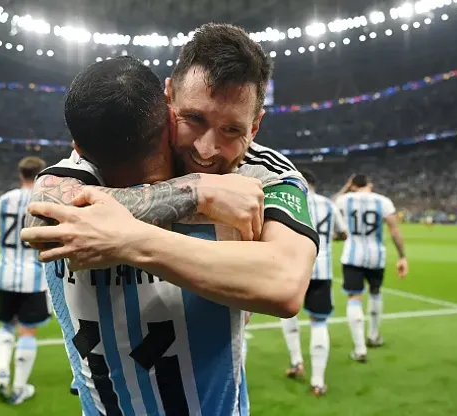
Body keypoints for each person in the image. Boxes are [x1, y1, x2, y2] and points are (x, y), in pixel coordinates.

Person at [22, 24, 319, 415]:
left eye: (232, 129)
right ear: (167, 100)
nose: (206, 149)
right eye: (193, 118)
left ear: (256, 125)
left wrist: (130, 241)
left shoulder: (263, 174)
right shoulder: (103, 159)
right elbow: (44, 219)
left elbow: (284, 283)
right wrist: (198, 191)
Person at [0, 156, 50, 405]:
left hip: (5, 275)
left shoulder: (4, 199)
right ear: (42, 174)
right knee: (27, 330)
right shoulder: (45, 201)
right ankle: (19, 388)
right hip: (34, 277)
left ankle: (1, 374)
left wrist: (0, 242)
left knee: (6, 326)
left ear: (21, 174)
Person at [279, 169, 347, 397]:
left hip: (293, 270)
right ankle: (318, 381)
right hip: (322, 270)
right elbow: (343, 233)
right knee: (319, 323)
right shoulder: (329, 205)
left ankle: (297, 362)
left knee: (287, 315)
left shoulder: (288, 199)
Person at [334, 174, 408, 362]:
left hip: (352, 255)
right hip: (376, 256)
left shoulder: (344, 200)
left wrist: (346, 187)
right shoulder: (383, 201)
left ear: (353, 185)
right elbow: (394, 230)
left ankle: (360, 349)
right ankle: (374, 336)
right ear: (370, 184)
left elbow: (332, 206)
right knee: (375, 293)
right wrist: (402, 257)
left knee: (354, 297)